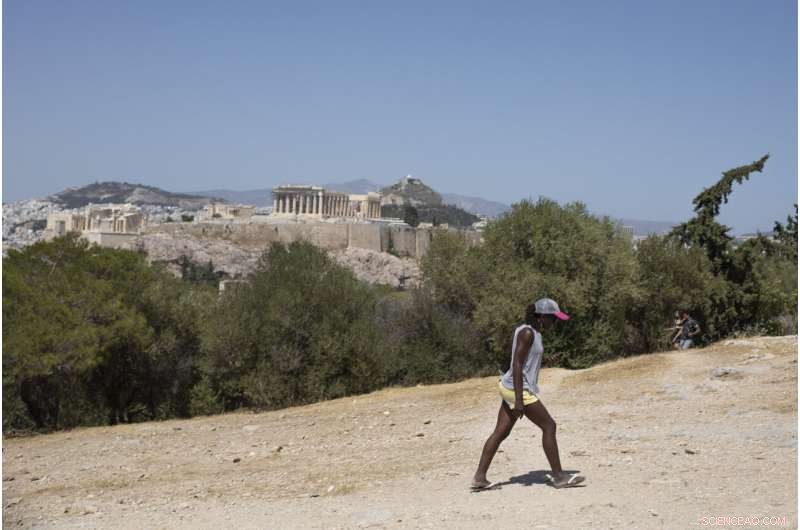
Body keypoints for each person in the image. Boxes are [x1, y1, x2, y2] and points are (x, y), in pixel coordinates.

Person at [471, 298, 585, 490]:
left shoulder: (533, 332)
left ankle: (479, 478)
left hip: (511, 386)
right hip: (517, 389)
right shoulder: (527, 333)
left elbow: (526, 361)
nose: (555, 322)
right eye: (553, 318)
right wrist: (519, 400)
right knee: (549, 426)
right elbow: (516, 364)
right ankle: (559, 477)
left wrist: (546, 361)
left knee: (501, 432)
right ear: (541, 316)